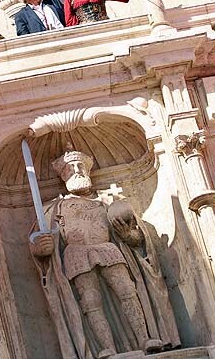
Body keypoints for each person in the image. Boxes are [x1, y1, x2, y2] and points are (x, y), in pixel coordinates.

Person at [29, 149, 179, 358]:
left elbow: (138, 241)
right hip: (77, 255)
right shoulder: (54, 209)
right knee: (90, 301)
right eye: (70, 169)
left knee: (127, 290)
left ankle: (145, 338)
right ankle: (107, 348)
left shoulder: (108, 201)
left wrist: (128, 235)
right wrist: (40, 248)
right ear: (62, 176)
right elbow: (38, 245)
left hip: (108, 250)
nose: (77, 171)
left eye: (81, 166)